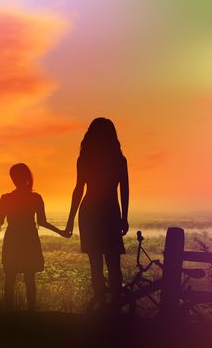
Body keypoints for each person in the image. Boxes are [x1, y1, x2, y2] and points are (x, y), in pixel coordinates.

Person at [0, 163, 69, 311]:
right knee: (29, 278)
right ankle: (31, 313)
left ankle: (10, 314)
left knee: (11, 278)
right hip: (29, 238)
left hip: (13, 239)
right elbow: (42, 222)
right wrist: (61, 232)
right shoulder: (35, 197)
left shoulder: (6, 198)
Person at [65, 117, 129, 311]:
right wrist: (124, 217)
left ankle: (102, 305)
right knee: (113, 262)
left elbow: (78, 190)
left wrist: (70, 222)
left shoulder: (85, 158)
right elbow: (124, 190)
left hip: (90, 212)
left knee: (96, 263)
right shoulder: (118, 159)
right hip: (110, 211)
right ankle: (115, 307)